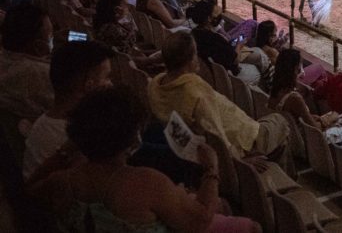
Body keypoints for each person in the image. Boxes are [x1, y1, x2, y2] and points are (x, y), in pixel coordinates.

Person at [27, 86, 258, 233]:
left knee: (222, 205)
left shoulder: (63, 181)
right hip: (186, 220)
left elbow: (29, 190)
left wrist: (64, 152)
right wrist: (211, 168)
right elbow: (199, 222)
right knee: (251, 226)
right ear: (132, 141)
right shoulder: (146, 183)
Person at [148, 32, 292, 171]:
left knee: (278, 136)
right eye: (195, 53)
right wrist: (239, 161)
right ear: (190, 59)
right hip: (243, 141)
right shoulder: (196, 92)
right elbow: (215, 135)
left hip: (199, 143)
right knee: (281, 121)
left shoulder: (155, 84)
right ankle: (280, 183)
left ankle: (277, 178)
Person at [22, 40, 113, 178]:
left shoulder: (47, 122)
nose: (111, 84)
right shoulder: (78, 138)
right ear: (88, 85)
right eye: (106, 77)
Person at [188, 0, 263, 85]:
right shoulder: (215, 38)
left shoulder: (194, 32)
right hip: (228, 75)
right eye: (216, 13)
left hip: (215, 70)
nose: (220, 15)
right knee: (257, 69)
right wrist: (239, 45)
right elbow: (235, 60)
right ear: (209, 18)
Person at [0, 2, 54, 120]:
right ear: (38, 46)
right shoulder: (41, 74)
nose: (52, 40)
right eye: (50, 36)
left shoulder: (5, 61)